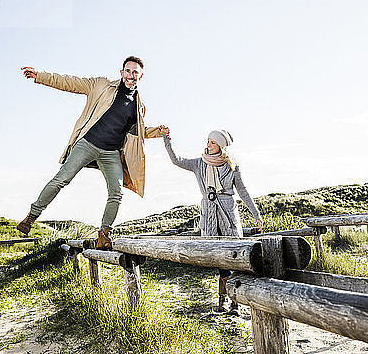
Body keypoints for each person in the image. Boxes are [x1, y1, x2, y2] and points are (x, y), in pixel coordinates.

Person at [16, 56, 165, 250]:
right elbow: (71, 82)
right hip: (87, 143)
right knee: (62, 179)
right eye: (128, 71)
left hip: (111, 153)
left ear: (141, 76)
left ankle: (104, 234)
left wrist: (158, 132)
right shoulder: (101, 85)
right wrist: (40, 76)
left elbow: (137, 132)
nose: (131, 75)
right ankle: (31, 216)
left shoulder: (139, 106)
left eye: (135, 72)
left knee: (116, 193)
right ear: (121, 73)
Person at [161, 128, 263, 314]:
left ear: (221, 146)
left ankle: (235, 302)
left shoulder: (231, 165)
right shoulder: (198, 163)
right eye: (208, 141)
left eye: (212, 142)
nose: (208, 144)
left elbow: (243, 190)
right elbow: (176, 160)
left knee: (234, 255)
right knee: (217, 256)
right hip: (209, 213)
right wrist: (166, 139)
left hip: (228, 212)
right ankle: (223, 299)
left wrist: (255, 213)